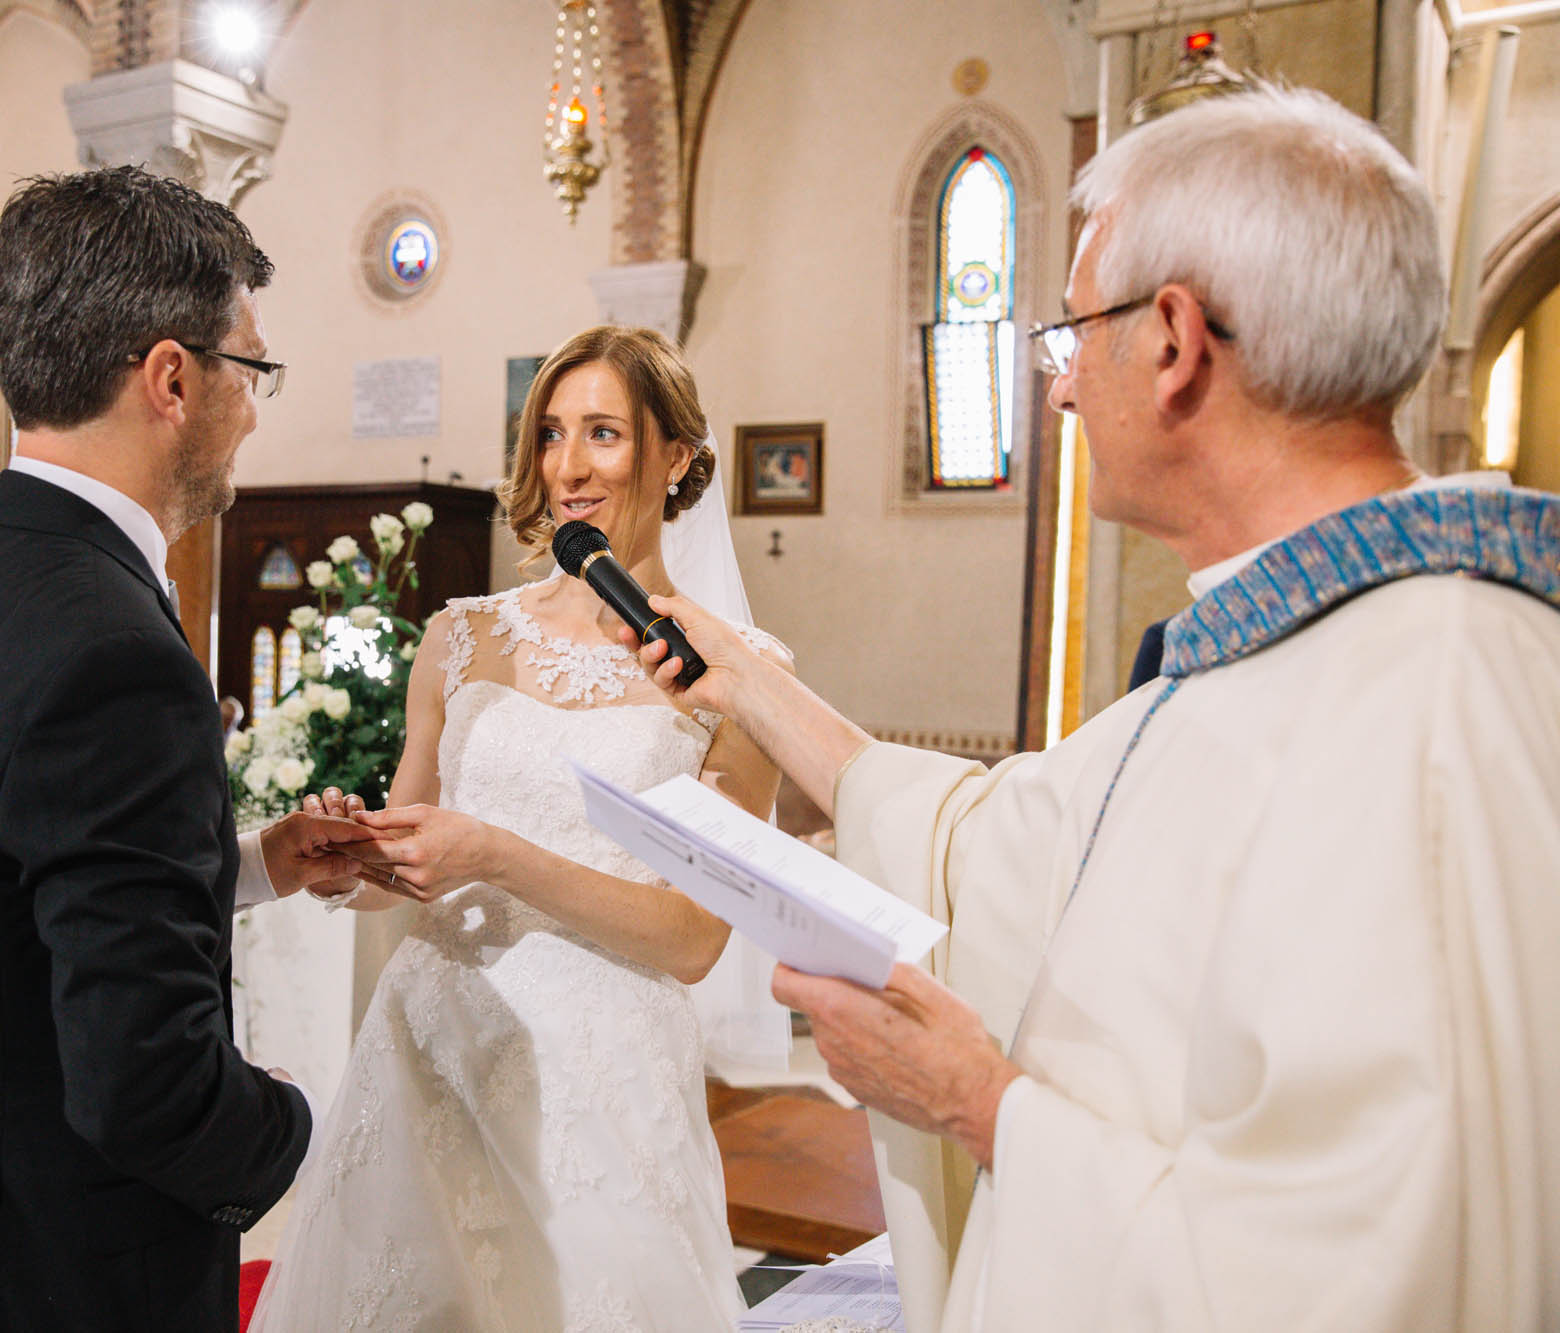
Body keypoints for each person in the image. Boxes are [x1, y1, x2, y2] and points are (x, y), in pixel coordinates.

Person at [628, 87, 1560, 1332]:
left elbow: (1361, 1278)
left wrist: (973, 1099)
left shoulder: (1425, 716)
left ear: (1172, 341)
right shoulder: (1284, 645)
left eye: (1067, 340)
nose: (1059, 392)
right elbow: (995, 836)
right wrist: (741, 676)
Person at [0, 167, 373, 1333]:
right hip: (54, 1278)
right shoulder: (115, 652)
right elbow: (147, 1089)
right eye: (252, 369)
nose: (255, 409)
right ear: (173, 377)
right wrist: (298, 1122)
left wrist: (254, 864)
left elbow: (3, 905)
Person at [248, 326, 789, 1331]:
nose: (568, 467)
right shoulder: (459, 638)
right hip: (434, 1046)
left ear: (676, 456)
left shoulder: (736, 673)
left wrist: (494, 852)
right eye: (549, 433)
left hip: (607, 1071)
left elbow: (692, 937)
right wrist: (344, 858)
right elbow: (405, 860)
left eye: (602, 434)